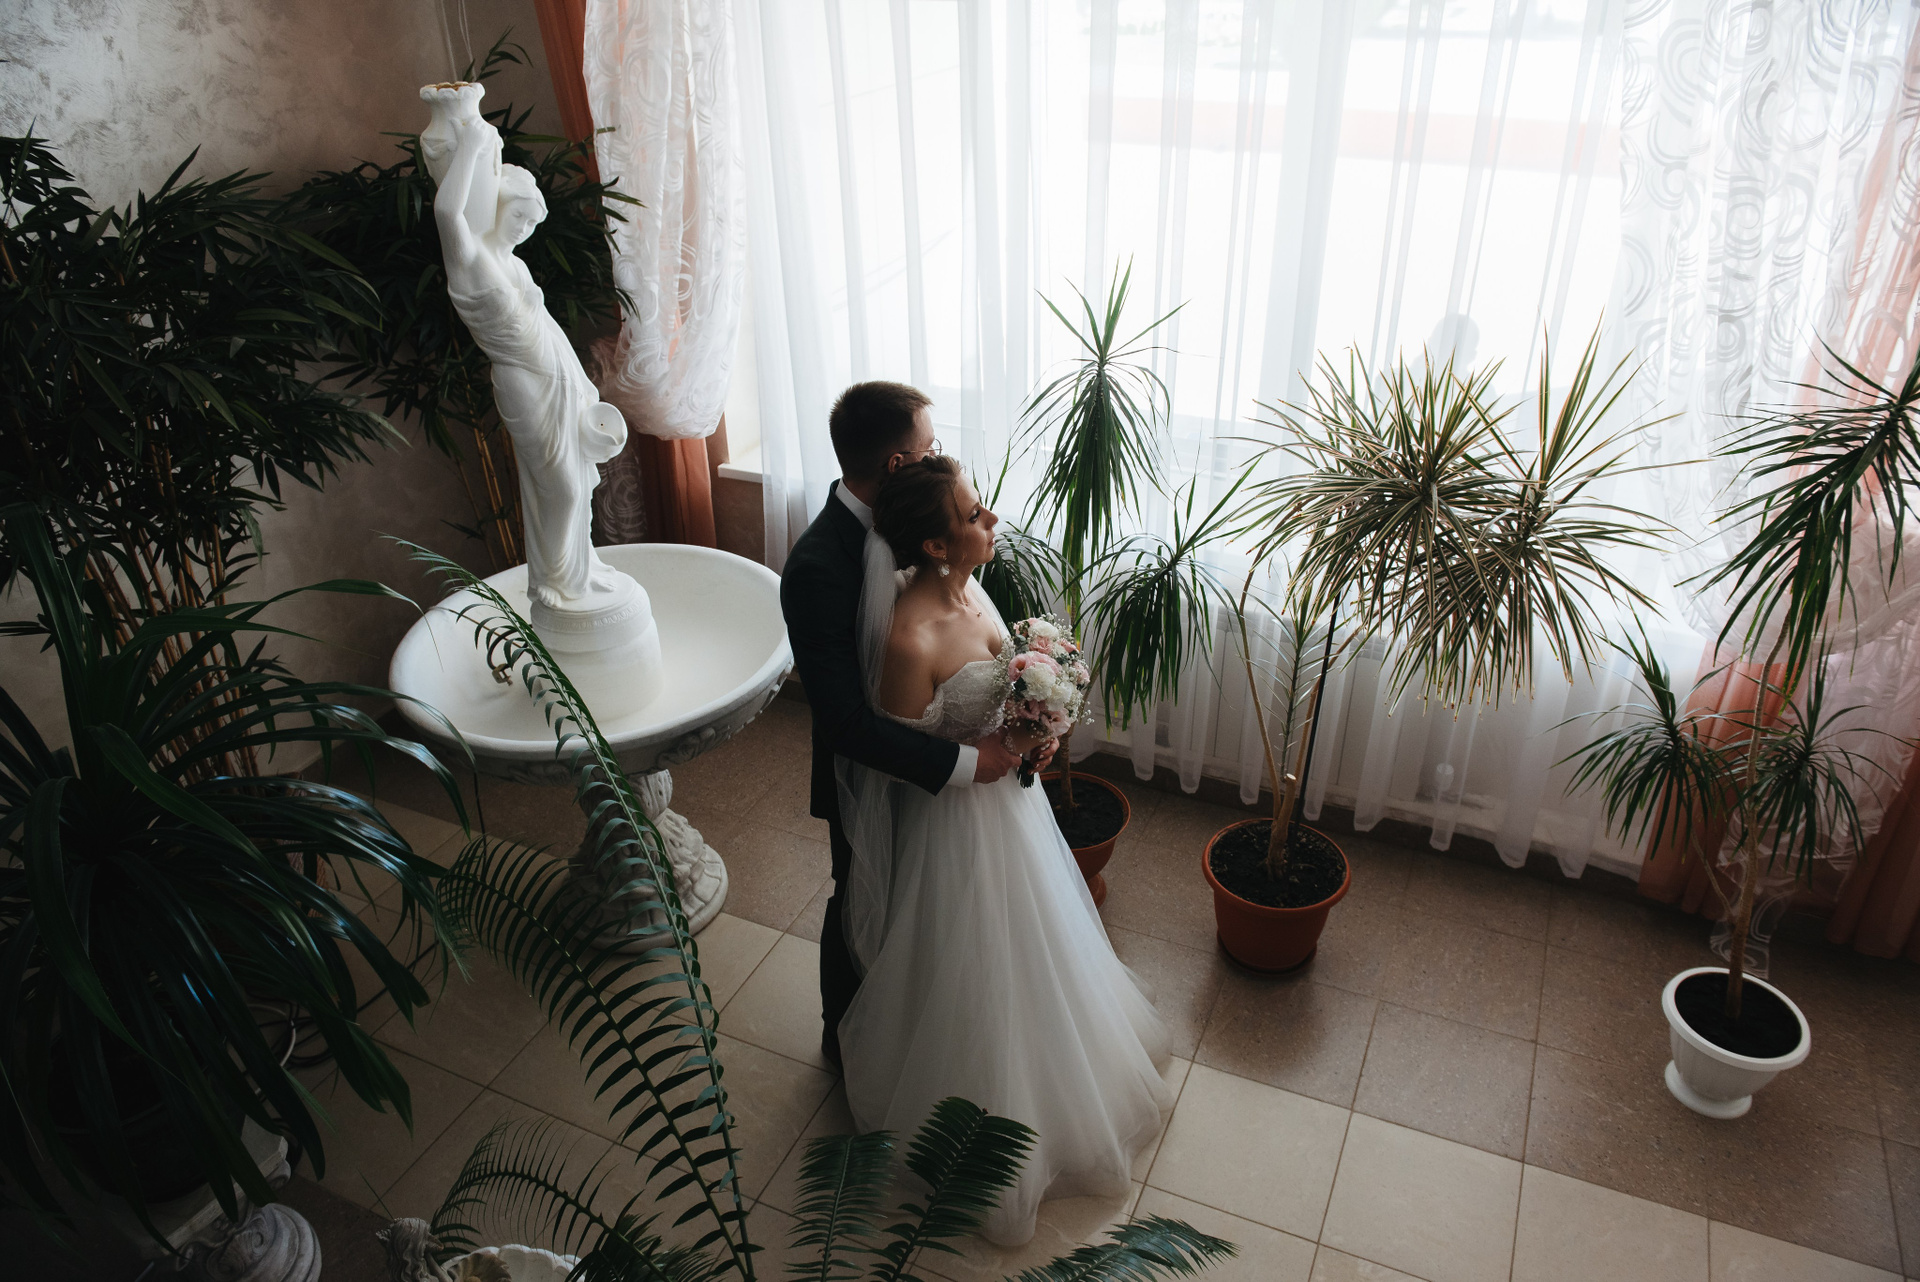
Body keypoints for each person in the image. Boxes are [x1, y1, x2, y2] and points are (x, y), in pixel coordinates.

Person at [832, 453, 1173, 1246]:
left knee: (1040, 945)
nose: (991, 520)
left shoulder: (973, 590)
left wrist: (1034, 733)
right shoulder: (909, 636)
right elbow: (901, 762)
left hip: (1013, 812)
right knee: (976, 964)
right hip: (956, 832)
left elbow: (1001, 696)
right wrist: (994, 753)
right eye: (973, 514)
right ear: (937, 546)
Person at [779, 383, 1029, 1070]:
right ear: (897, 463)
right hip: (871, 771)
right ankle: (847, 1039)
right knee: (861, 901)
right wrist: (967, 764)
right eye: (928, 446)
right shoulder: (818, 567)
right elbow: (843, 722)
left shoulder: (928, 515)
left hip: (957, 767)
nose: (937, 456)